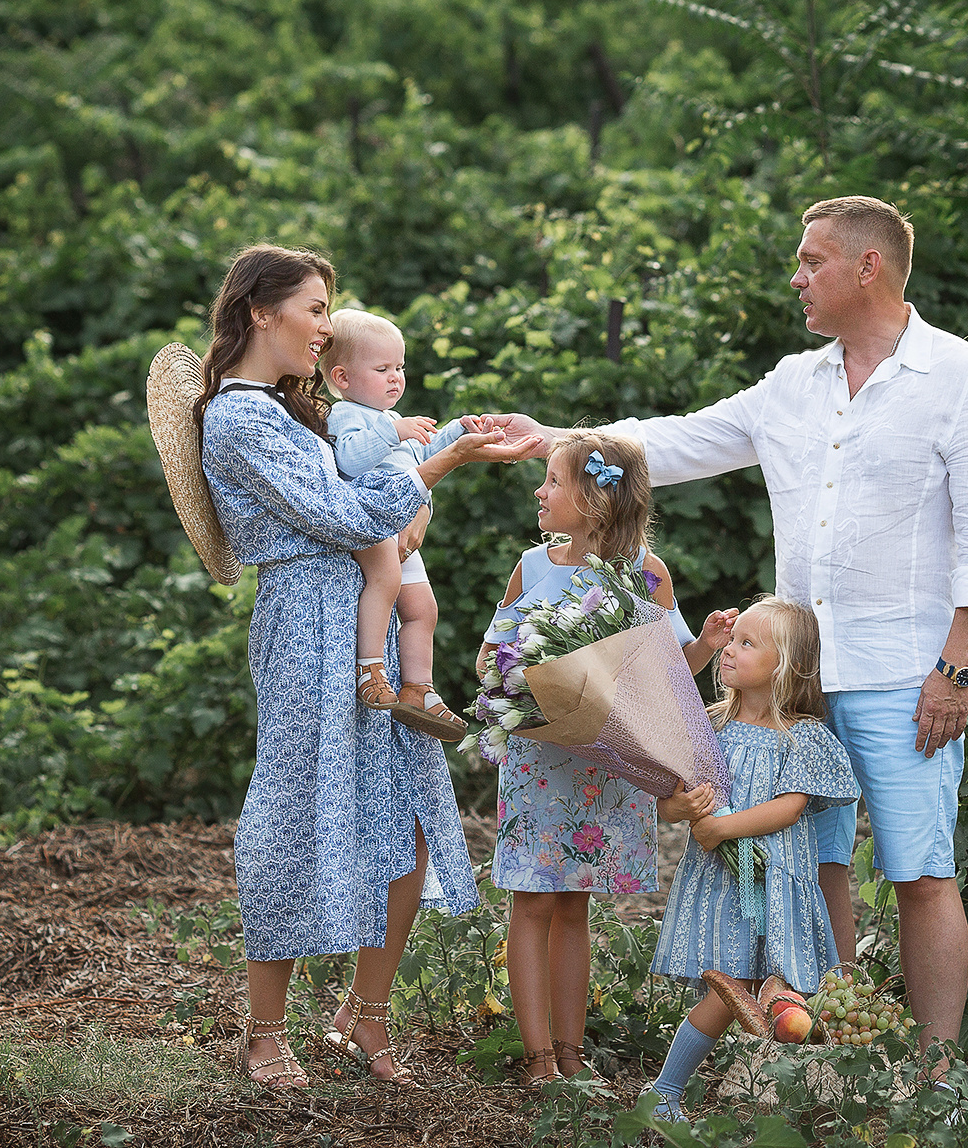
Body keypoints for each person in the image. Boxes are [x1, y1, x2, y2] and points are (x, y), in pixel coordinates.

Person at [491, 195, 968, 1074]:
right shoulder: (792, 384)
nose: (797, 276)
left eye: (813, 260)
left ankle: (935, 1073)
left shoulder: (966, 383)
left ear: (868, 267)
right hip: (792, 680)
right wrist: (556, 437)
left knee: (921, 870)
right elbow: (680, 439)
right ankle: (832, 1050)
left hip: (904, 673)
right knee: (810, 868)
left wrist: (955, 670)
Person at [195, 243, 540, 1089]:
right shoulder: (239, 418)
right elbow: (346, 511)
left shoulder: (294, 411)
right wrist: (440, 466)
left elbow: (373, 498)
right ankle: (265, 1030)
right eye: (313, 308)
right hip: (308, 621)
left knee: (410, 812)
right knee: (292, 808)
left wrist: (455, 443)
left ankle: (365, 1016)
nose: (323, 326)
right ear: (258, 311)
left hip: (361, 617)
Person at [475, 430, 726, 1085]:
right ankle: (537, 1057)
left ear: (592, 497)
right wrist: (530, 675)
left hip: (607, 763)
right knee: (530, 900)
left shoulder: (647, 571)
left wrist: (706, 645)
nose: (540, 490)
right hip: (540, 754)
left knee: (574, 905)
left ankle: (571, 1049)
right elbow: (491, 662)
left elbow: (670, 673)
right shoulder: (533, 567)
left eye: (553, 481)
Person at [646, 597, 859, 1123]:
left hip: (779, 885)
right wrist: (679, 807)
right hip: (723, 884)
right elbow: (670, 797)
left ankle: (791, 1104)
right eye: (731, 640)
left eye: (747, 643)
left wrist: (721, 827)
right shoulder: (709, 725)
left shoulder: (804, 736)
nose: (731, 651)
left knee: (785, 994)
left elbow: (791, 808)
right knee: (729, 987)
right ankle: (665, 1090)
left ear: (784, 665)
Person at [323, 307, 470, 738]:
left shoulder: (390, 421)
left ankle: (418, 687)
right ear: (343, 378)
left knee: (423, 608)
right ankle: (370, 670)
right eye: (382, 368)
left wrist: (457, 433)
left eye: (400, 367)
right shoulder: (347, 414)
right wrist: (396, 432)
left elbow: (421, 460)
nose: (395, 378)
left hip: (402, 522)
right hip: (371, 519)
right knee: (385, 581)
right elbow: (348, 459)